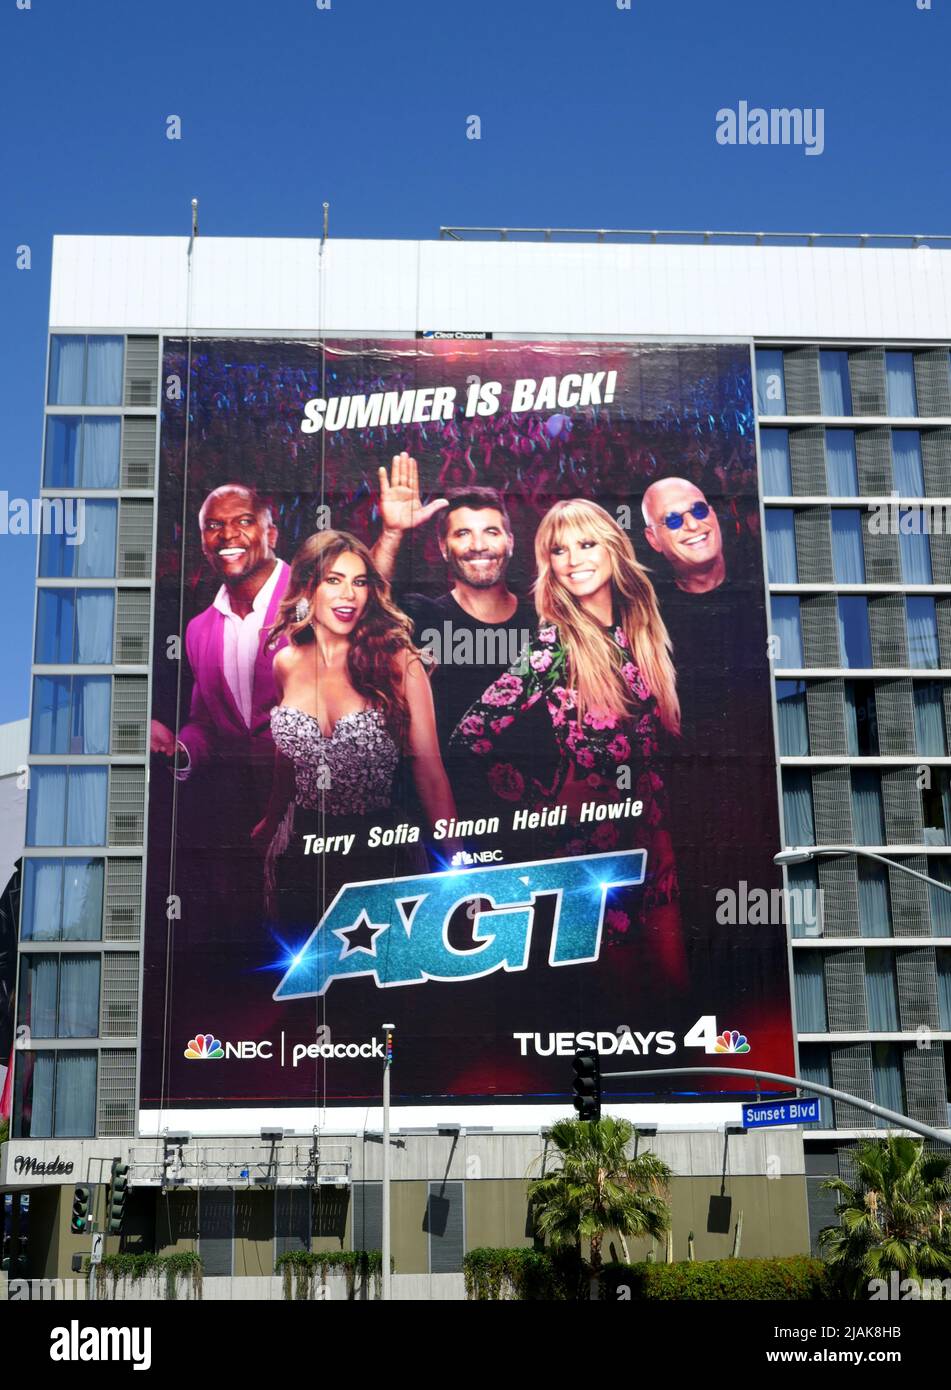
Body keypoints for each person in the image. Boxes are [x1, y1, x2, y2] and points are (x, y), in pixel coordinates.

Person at [450, 498, 687, 985]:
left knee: (673, 984)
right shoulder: (554, 645)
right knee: (616, 994)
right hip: (588, 848)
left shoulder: (639, 630)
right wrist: (543, 800)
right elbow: (466, 739)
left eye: (585, 544)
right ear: (549, 566)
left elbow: (651, 758)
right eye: (559, 550)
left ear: (614, 550)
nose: (574, 558)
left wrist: (661, 835)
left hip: (650, 834)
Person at [252, 531, 459, 927]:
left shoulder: (399, 661)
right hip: (303, 848)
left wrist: (459, 868)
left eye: (359, 582)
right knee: (305, 975)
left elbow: (431, 775)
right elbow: (289, 756)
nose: (349, 594)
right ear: (308, 587)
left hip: (380, 850)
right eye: (334, 580)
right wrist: (271, 817)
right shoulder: (285, 663)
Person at [149, 483, 291, 828]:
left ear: (270, 534)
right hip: (242, 815)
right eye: (213, 526)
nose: (228, 534)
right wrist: (179, 749)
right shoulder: (199, 630)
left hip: (321, 809)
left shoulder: (316, 594)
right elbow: (207, 723)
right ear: (202, 542)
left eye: (244, 521)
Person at [371, 454, 535, 750]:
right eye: (463, 534)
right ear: (443, 548)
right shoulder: (421, 617)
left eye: (491, 532)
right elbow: (362, 604)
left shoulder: (543, 620)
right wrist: (392, 533)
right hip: (444, 793)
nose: (478, 546)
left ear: (510, 542)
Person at [641, 477, 725, 594]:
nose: (692, 525)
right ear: (653, 539)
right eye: (673, 520)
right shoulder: (650, 605)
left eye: (699, 510)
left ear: (713, 514)